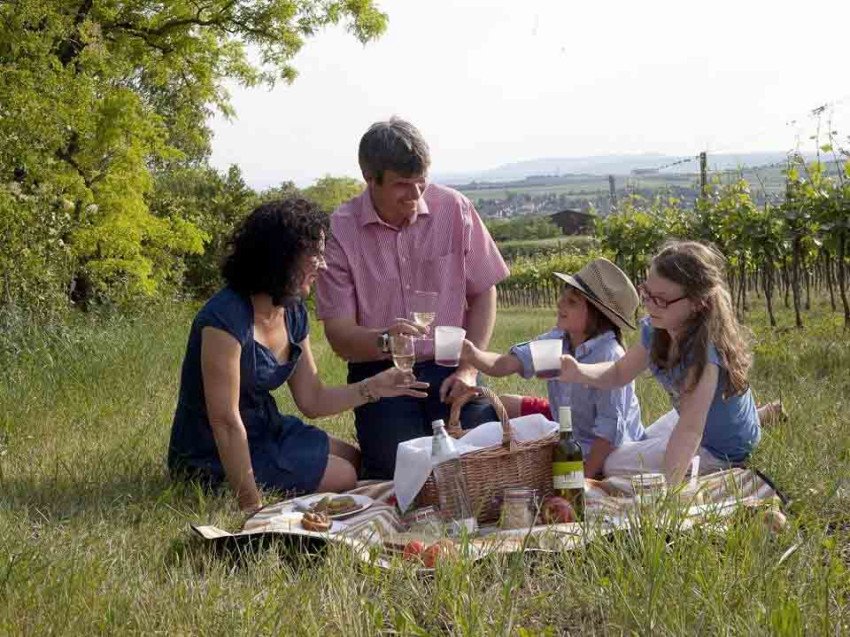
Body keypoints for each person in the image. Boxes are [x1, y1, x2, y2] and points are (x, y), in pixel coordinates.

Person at [167, 198, 428, 514]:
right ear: (282, 257)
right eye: (315, 254)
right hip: (212, 449)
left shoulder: (291, 311)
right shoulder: (223, 320)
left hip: (266, 428)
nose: (324, 264)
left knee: (359, 460)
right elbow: (224, 421)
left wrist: (375, 386)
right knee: (344, 475)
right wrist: (252, 506)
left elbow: (313, 401)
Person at [316, 117, 510, 479]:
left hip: (452, 366)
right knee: (400, 474)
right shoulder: (339, 231)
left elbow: (484, 291)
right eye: (402, 185)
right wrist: (386, 340)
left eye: (421, 183)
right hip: (380, 373)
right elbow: (339, 335)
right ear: (369, 178)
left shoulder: (456, 209)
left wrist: (470, 369)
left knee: (483, 461)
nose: (415, 195)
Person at [559, 241, 767, 483]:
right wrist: (578, 371)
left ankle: (746, 431)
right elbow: (618, 372)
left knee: (614, 465)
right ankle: (757, 417)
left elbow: (690, 430)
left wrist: (671, 491)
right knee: (641, 444)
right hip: (695, 415)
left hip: (723, 449)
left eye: (661, 299)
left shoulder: (704, 354)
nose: (648, 304)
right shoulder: (658, 327)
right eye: (646, 293)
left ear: (698, 302)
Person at [461, 258, 645, 478]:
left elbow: (609, 433)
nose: (560, 304)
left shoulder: (609, 355)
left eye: (572, 302)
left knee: (608, 470)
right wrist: (473, 354)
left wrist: (583, 480)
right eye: (563, 297)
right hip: (574, 448)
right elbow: (505, 364)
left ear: (597, 314)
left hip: (614, 453)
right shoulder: (555, 342)